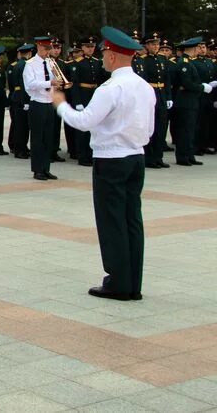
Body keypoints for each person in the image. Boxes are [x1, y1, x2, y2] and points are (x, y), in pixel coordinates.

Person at [52, 27, 154, 301]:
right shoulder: (144, 87)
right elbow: (151, 129)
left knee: (112, 222)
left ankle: (118, 283)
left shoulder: (111, 88)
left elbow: (84, 123)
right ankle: (133, 282)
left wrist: (60, 104)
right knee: (132, 219)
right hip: (136, 157)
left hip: (111, 160)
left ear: (111, 56)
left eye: (106, 52)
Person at [24, 35, 64, 180]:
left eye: (49, 48)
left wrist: (57, 82)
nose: (47, 51)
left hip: (49, 103)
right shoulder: (30, 64)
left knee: (48, 137)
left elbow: (55, 79)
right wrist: (49, 83)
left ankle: (46, 168)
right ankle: (37, 169)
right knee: (37, 138)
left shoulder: (50, 62)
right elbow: (30, 84)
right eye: (45, 48)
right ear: (38, 47)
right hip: (37, 102)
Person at [169, 36, 211, 166]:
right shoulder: (184, 63)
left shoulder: (189, 62)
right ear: (193, 48)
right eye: (198, 47)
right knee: (185, 130)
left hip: (191, 100)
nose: (200, 49)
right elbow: (187, 83)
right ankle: (182, 156)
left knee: (190, 129)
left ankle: (189, 155)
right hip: (185, 101)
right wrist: (202, 87)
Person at [134, 33, 171, 169]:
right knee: (151, 127)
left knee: (161, 127)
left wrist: (168, 97)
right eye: (152, 44)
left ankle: (158, 157)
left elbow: (167, 79)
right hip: (150, 93)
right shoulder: (142, 60)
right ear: (147, 46)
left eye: (157, 44)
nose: (156, 46)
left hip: (161, 94)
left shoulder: (163, 59)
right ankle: (149, 158)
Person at [73, 36, 105, 167]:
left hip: (94, 94)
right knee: (83, 128)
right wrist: (77, 101)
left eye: (92, 47)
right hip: (83, 94)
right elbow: (74, 84)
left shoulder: (97, 62)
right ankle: (82, 155)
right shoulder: (78, 63)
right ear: (82, 48)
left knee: (94, 126)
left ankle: (91, 153)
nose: (90, 49)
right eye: (87, 47)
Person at [8, 44, 33, 159]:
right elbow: (24, 84)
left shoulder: (17, 65)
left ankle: (20, 148)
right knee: (22, 126)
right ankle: (20, 150)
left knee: (19, 125)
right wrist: (26, 101)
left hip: (16, 96)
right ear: (29, 53)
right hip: (21, 98)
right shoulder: (25, 65)